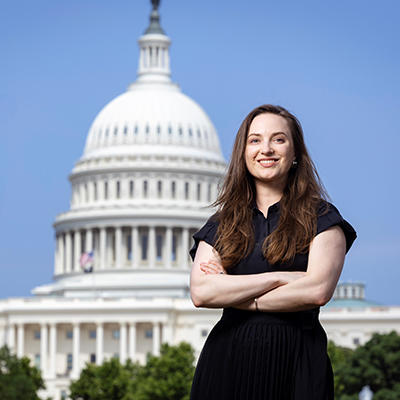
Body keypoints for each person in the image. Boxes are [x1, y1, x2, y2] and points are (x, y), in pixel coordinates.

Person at [188, 104, 357, 400]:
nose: (265, 149)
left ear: (295, 154)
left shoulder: (322, 217)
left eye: (278, 139)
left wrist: (235, 291)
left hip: (297, 363)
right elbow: (202, 293)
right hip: (226, 364)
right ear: (243, 153)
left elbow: (317, 290)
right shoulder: (222, 223)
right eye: (255, 140)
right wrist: (282, 277)